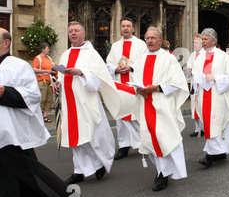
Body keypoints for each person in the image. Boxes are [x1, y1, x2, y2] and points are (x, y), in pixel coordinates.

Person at [0, 28, 69, 197]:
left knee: (18, 184)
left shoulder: (17, 66)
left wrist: (4, 92)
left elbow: (32, 95)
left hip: (11, 137)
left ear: (6, 42)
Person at [58, 21, 132, 184]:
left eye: (76, 31)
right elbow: (62, 76)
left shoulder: (91, 54)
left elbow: (100, 78)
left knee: (92, 136)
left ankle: (100, 164)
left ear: (84, 34)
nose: (73, 33)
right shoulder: (65, 54)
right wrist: (58, 82)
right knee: (75, 138)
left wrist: (81, 72)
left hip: (87, 101)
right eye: (70, 31)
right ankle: (79, 170)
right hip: (70, 103)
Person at [132, 27, 189, 191]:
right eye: (147, 38)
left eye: (153, 38)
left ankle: (164, 173)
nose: (149, 41)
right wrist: (139, 89)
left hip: (162, 105)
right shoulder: (140, 59)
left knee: (165, 138)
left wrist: (156, 88)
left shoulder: (168, 59)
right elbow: (135, 79)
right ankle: (161, 171)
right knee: (148, 140)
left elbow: (177, 83)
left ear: (160, 40)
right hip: (145, 104)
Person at [192, 28, 229, 167]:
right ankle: (220, 152)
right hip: (204, 93)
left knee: (217, 122)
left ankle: (211, 154)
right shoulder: (200, 56)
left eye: (205, 39)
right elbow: (195, 73)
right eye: (202, 39)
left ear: (213, 41)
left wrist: (216, 78)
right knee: (209, 122)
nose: (203, 42)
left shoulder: (223, 56)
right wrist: (198, 78)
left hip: (218, 94)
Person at [106, 17, 148, 160]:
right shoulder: (116, 46)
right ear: (120, 28)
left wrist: (130, 67)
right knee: (121, 117)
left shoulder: (141, 45)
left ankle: (143, 144)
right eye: (123, 26)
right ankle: (123, 146)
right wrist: (116, 69)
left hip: (134, 85)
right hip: (120, 85)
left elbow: (144, 62)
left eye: (128, 26)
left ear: (133, 28)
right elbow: (109, 63)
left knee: (136, 116)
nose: (125, 28)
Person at [32, 42, 58, 123]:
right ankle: (38, 117)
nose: (49, 50)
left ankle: (44, 116)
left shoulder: (49, 58)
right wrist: (47, 71)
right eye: (47, 48)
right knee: (42, 99)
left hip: (50, 81)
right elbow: (34, 69)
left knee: (48, 99)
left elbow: (52, 68)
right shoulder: (38, 58)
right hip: (42, 80)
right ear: (43, 50)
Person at [186, 34, 205, 137]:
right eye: (194, 42)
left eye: (197, 42)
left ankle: (204, 128)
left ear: (202, 44)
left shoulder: (205, 54)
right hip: (194, 84)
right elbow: (189, 67)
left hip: (202, 84)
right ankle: (197, 128)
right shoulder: (193, 54)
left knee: (202, 106)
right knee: (194, 106)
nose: (194, 44)